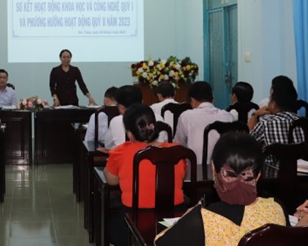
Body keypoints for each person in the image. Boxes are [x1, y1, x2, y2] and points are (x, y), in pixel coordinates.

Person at [155, 132, 287, 245]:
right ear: (257, 176)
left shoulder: (201, 220)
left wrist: (190, 214)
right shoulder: (276, 208)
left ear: (213, 168)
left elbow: (160, 242)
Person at [103, 105, 187, 246]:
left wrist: (109, 164)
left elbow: (111, 181)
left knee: (112, 225)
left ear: (130, 134)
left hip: (134, 217)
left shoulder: (121, 152)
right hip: (174, 216)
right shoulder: (178, 150)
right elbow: (181, 176)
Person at [174, 81, 235, 164]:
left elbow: (179, 145)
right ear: (213, 99)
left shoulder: (186, 116)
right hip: (224, 169)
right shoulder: (229, 116)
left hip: (195, 168)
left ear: (192, 100)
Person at [249, 80, 304, 164]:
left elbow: (247, 145)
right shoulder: (303, 122)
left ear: (274, 104)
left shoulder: (265, 124)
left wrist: (255, 114)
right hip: (300, 170)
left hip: (272, 170)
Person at [107, 85, 144, 149]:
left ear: (121, 107)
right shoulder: (156, 117)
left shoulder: (117, 120)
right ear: (142, 102)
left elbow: (107, 145)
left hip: (125, 154)